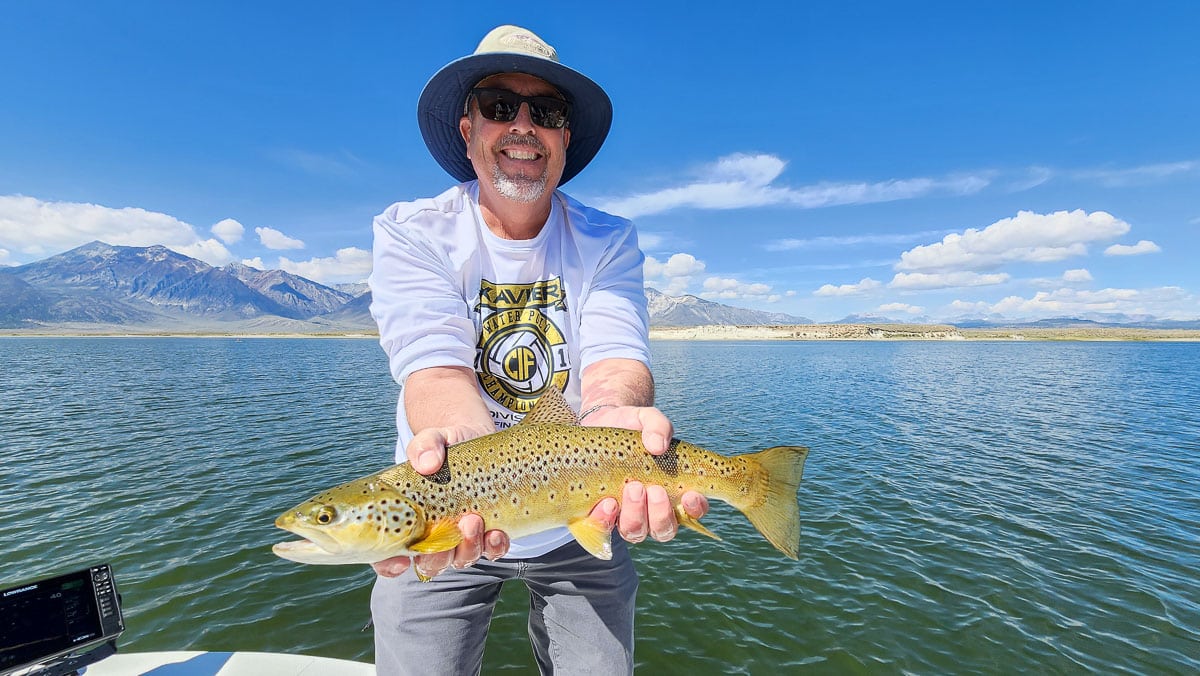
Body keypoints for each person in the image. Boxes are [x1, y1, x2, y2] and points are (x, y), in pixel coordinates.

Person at [366, 25, 709, 675]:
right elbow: (433, 366)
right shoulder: (413, 232)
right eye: (499, 105)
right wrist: (463, 453)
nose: (523, 125)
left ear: (564, 138)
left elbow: (616, 360)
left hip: (583, 513)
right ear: (467, 130)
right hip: (444, 511)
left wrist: (615, 412)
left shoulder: (608, 239)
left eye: (545, 112)